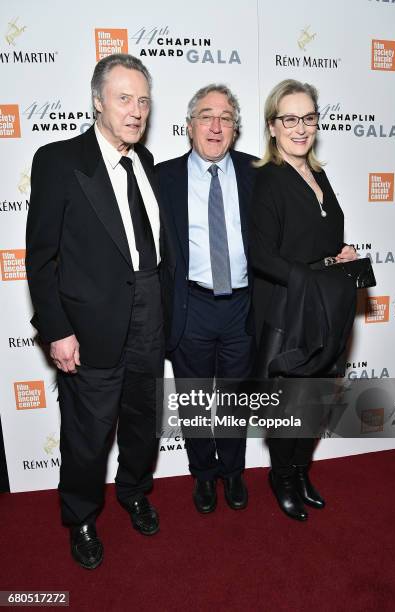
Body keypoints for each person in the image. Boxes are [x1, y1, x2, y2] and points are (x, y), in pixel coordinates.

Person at [26, 54, 173, 569]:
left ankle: (135, 492)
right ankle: (82, 517)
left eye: (144, 100)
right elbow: (40, 259)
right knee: (87, 435)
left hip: (150, 315)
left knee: (142, 421)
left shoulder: (147, 162)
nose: (136, 111)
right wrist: (57, 329)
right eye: (124, 98)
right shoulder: (59, 161)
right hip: (89, 328)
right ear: (97, 102)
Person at [250, 79, 357, 521]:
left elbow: (318, 241)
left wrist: (338, 256)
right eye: (290, 119)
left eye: (308, 118)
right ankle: (282, 476)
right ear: (273, 126)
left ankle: (299, 469)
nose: (300, 128)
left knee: (316, 397)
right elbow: (260, 253)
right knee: (290, 401)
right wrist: (310, 277)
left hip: (326, 307)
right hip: (290, 310)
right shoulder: (268, 180)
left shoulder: (320, 174)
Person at [156, 84, 256, 514]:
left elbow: (290, 232)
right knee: (195, 401)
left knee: (235, 400)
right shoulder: (163, 178)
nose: (216, 126)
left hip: (243, 308)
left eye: (226, 118)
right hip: (189, 307)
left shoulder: (259, 172)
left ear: (235, 129)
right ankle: (203, 475)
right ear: (189, 124)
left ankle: (232, 472)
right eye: (206, 116)